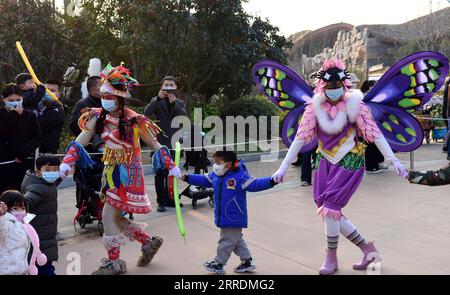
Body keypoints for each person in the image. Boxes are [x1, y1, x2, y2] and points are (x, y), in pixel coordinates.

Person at [272, 59, 408, 275]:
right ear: (322, 86)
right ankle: (368, 250)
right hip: (324, 161)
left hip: (350, 162)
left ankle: (331, 258)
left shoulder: (356, 106)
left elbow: (376, 135)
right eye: (329, 87)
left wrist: (394, 160)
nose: (333, 90)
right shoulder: (313, 108)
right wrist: (283, 167)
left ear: (344, 85)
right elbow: (299, 139)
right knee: (328, 212)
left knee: (330, 209)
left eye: (337, 86)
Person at [59, 64, 182, 275]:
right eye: (103, 95)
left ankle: (114, 263)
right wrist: (67, 161)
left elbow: (154, 143)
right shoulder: (97, 116)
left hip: (128, 173)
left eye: (109, 96)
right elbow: (81, 141)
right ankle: (148, 242)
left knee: (108, 217)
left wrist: (170, 166)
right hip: (110, 171)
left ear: (120, 97)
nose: (105, 99)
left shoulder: (134, 119)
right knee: (114, 218)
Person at [182, 149, 277, 274]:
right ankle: (247, 261)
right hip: (223, 215)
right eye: (214, 162)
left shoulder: (240, 176)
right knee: (235, 239)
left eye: (218, 162)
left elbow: (255, 184)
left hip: (234, 216)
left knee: (226, 240)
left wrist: (272, 181)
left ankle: (219, 263)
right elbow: (203, 179)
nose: (215, 165)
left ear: (229, 164)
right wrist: (186, 177)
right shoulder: (216, 175)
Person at [144, 76, 187, 212]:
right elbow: (146, 113)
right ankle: (161, 202)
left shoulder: (179, 102)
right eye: (166, 85)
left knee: (172, 172)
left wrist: (174, 103)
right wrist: (157, 99)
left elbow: (184, 118)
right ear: (162, 86)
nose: (168, 87)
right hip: (160, 143)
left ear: (175, 87)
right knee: (160, 173)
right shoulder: (156, 100)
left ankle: (171, 199)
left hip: (175, 143)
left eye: (171, 85)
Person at [22, 154, 61, 275]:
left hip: (44, 235)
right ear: (38, 172)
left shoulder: (46, 184)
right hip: (39, 238)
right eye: (48, 170)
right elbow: (26, 202)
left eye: (55, 170)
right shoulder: (37, 187)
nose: (52, 173)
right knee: (44, 268)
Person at [0, 84, 42, 193]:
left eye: (18, 99)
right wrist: (13, 115)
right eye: (11, 100)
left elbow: (37, 137)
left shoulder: (30, 115)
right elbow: (3, 133)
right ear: (3, 99)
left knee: (21, 194)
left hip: (23, 161)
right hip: (4, 162)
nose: (15, 102)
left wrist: (23, 152)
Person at [0, 190, 47, 275]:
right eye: (15, 208)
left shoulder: (23, 225)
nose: (20, 211)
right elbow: (1, 231)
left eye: (23, 208)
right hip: (6, 271)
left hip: (22, 271)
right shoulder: (6, 223)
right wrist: (1, 216)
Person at [360, 80, 387, 174]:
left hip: (375, 123)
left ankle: (378, 163)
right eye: (373, 86)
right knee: (370, 146)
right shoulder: (364, 97)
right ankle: (371, 167)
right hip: (367, 125)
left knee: (376, 145)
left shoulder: (374, 96)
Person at [38, 79, 66, 154]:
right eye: (46, 90)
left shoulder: (57, 110)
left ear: (58, 94)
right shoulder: (40, 106)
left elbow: (38, 124)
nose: (48, 92)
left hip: (47, 153)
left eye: (52, 90)